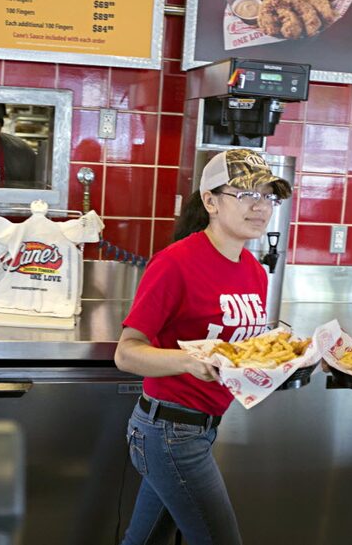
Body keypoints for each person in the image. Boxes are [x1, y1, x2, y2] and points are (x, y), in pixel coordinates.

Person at [114, 149, 292, 545]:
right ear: (210, 201)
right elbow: (126, 352)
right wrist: (193, 361)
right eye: (246, 194)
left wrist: (297, 361)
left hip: (204, 428)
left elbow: (242, 350)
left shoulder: (253, 270)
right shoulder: (175, 263)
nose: (260, 206)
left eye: (268, 196)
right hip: (168, 430)